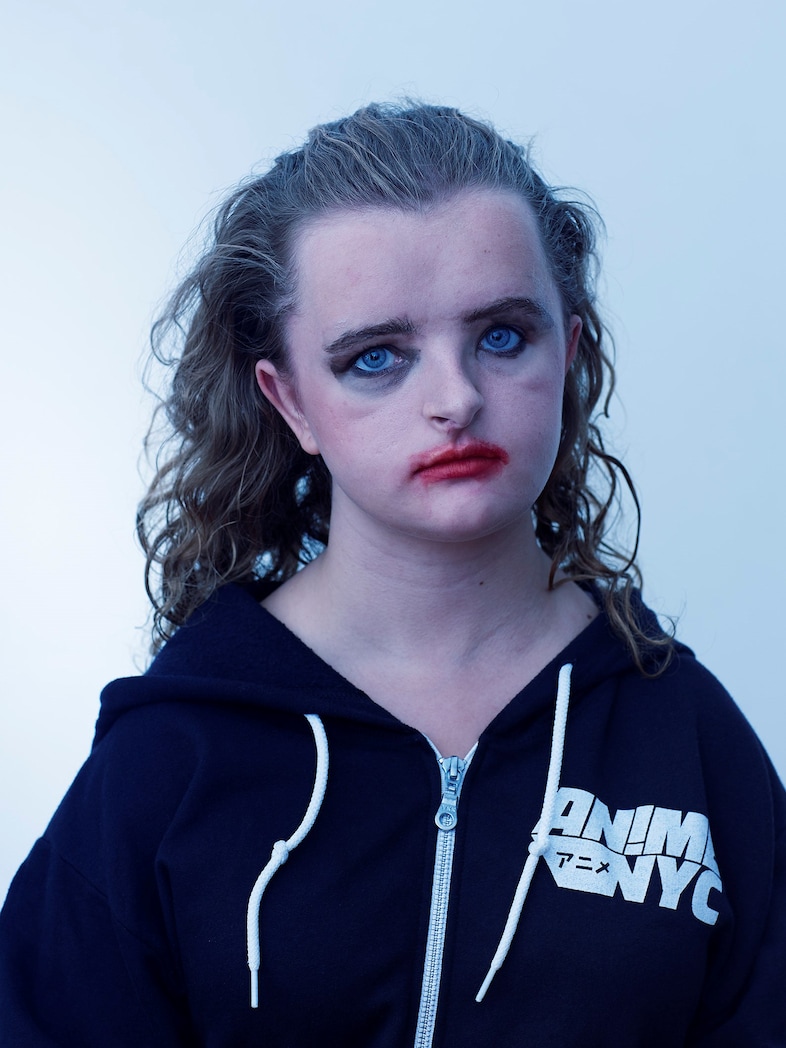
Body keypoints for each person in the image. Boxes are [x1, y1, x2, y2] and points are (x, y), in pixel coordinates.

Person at [1, 102, 784, 1046]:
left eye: (503, 336)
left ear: (570, 352)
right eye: (376, 358)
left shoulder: (688, 741)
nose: (456, 399)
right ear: (290, 400)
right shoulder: (173, 753)